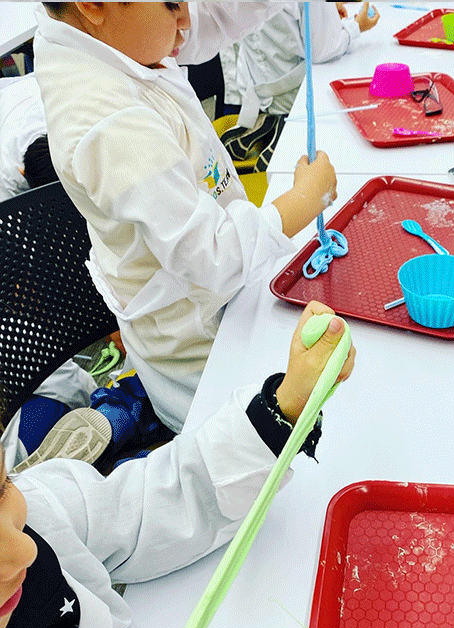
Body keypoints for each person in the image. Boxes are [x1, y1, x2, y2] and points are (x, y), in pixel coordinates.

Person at [0, 301, 356, 628]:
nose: (26, 551)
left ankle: (116, 417)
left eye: (2, 488)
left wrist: (286, 406)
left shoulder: (40, 514)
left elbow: (152, 504)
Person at [33, 2, 339, 435]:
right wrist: (305, 199)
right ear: (94, 6)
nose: (187, 18)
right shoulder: (110, 123)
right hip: (204, 360)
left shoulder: (113, 33)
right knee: (292, 437)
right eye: (173, 3)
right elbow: (210, 257)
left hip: (226, 294)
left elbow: (207, 18)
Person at [222, 1, 380, 171]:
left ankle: (268, 130)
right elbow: (323, 51)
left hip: (256, 87)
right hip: (294, 96)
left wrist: (326, 13)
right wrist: (356, 27)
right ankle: (279, 144)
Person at [0, 73, 57, 203]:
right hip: (6, 94)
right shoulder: (7, 174)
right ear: (22, 172)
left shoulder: (66, 138)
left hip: (35, 85)